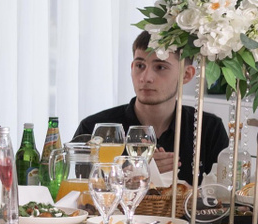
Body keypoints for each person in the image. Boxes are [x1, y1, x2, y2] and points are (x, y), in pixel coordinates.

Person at [75, 30, 229, 183]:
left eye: (160, 67)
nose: (145, 78)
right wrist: (129, 174)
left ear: (186, 75)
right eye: (140, 66)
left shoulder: (209, 129)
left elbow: (222, 193)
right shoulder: (93, 129)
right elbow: (76, 193)